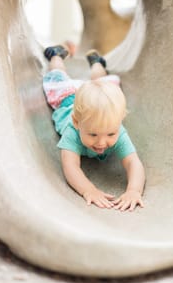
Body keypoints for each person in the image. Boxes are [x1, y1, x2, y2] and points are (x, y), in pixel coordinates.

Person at [43, 43, 145, 211]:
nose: (102, 142)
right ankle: (56, 56)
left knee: (104, 83)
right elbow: (70, 167)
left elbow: (133, 163)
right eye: (93, 134)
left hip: (92, 100)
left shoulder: (117, 130)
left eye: (110, 134)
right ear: (77, 123)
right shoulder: (73, 131)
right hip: (68, 97)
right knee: (56, 77)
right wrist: (89, 190)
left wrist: (134, 191)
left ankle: (97, 63)